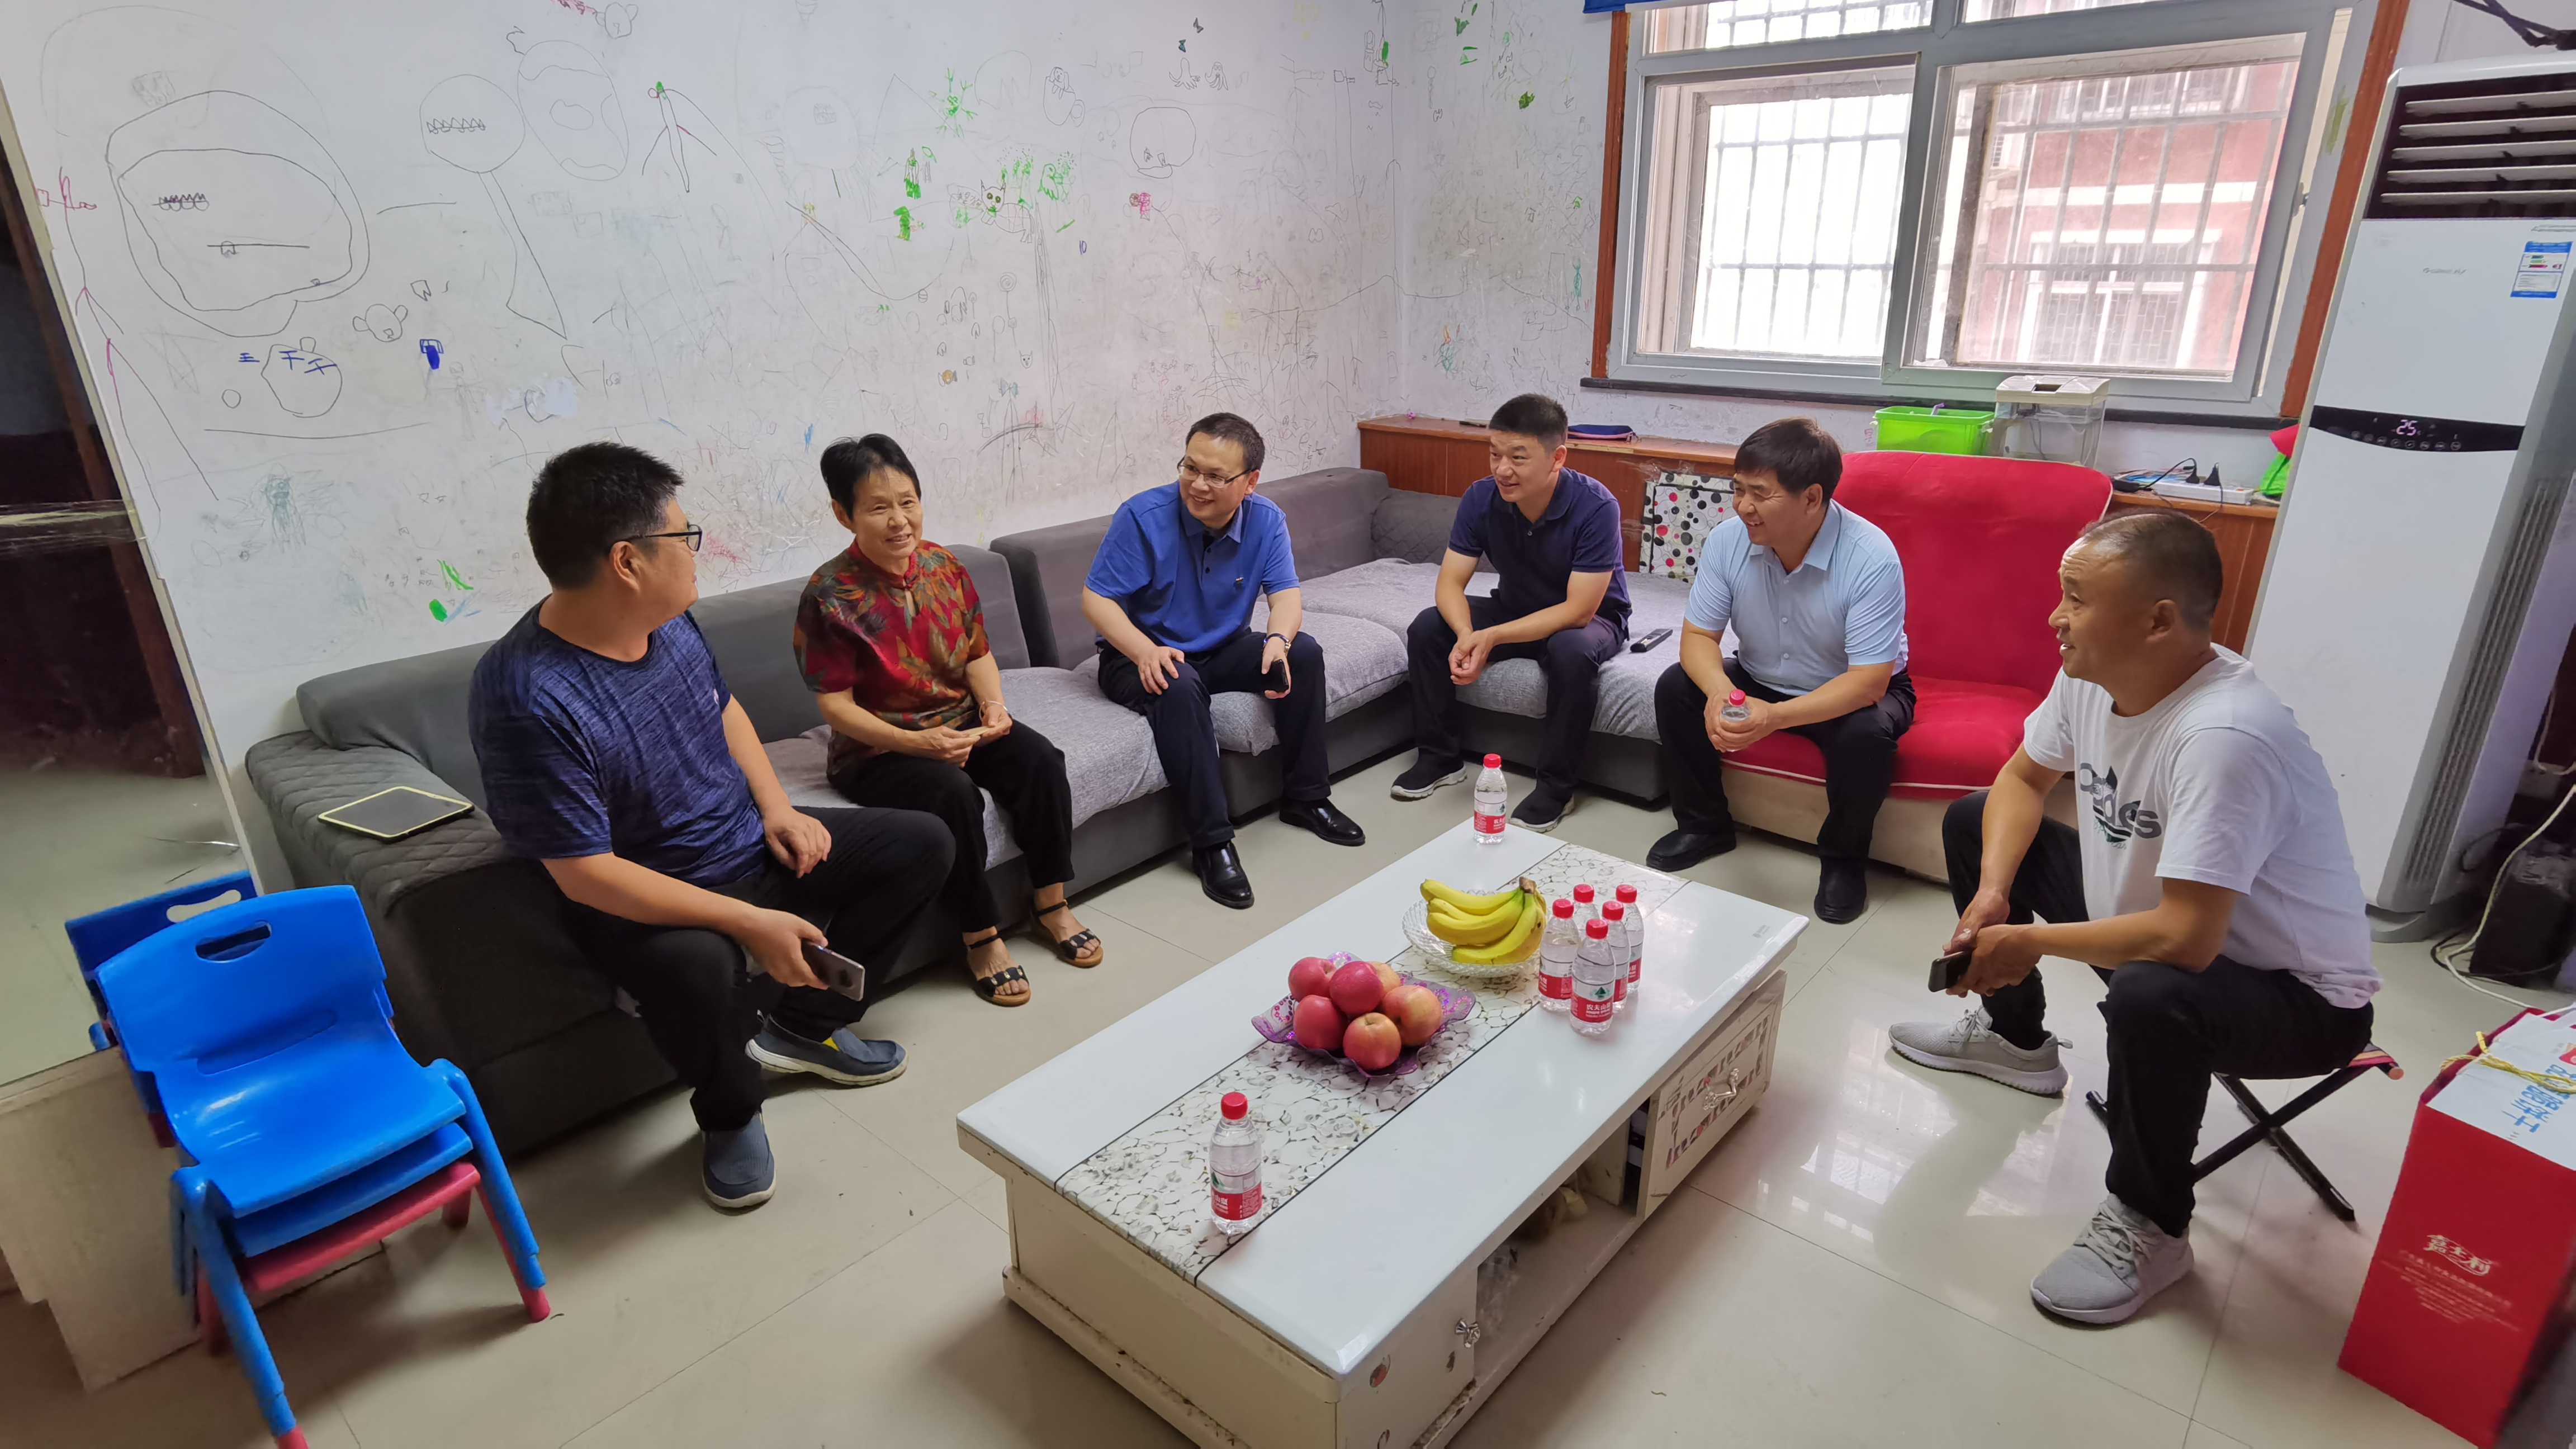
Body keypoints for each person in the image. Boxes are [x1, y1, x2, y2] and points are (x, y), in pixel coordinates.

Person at [1887, 511, 2380, 1326]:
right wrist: (1995, 894)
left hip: (2297, 999)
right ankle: (2016, 1043)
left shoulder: (2225, 737)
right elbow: (2021, 779)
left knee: (2152, 992)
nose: (2056, 617)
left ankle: (2152, 1223)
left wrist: (2030, 940)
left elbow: (2187, 939)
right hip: (2162, 930)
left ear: (2158, 620)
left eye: (2076, 598)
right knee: (1976, 822)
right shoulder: (2093, 674)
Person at [470, 442, 949, 1213]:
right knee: (699, 965)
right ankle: (730, 1113)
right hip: (640, 894)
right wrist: (746, 920)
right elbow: (584, 873)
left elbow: (722, 709)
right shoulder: (526, 697)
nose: (699, 552)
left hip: (742, 840)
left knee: (923, 843)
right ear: (628, 561)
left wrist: (778, 809)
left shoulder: (668, 623)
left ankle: (805, 1029)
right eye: (685, 537)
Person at [794, 434, 1101, 1010]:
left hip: (960, 723)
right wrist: (917, 743)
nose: (899, 520)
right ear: (843, 514)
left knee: (1039, 760)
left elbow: (977, 653)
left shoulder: (944, 565)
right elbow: (836, 708)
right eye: (878, 507)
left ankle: (1051, 903)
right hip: (878, 751)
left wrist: (994, 707)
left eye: (908, 502)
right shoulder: (830, 594)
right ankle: (980, 935)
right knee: (952, 795)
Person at [1080, 412, 1365, 908]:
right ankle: (1212, 844)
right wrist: (1144, 650)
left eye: (1215, 476)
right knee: (1178, 683)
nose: (1198, 484)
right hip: (1140, 656)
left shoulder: (1266, 520)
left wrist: (1277, 640)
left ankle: (1307, 798)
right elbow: (1096, 599)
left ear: (1249, 482)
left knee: (1303, 652)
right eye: (1190, 468)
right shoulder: (1143, 517)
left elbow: (1286, 594)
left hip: (1221, 647)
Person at [1649, 417, 1912, 924]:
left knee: (1867, 736)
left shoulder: (1871, 557)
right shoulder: (1728, 541)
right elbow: (1699, 638)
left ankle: (1843, 861)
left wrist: (1774, 718)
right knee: (1677, 687)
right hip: (1758, 675)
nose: (1742, 506)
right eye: (1738, 489)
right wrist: (1720, 692)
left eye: (1760, 494)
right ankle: (1704, 826)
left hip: (1846, 687)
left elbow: (1869, 681)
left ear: (1812, 498)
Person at [1390, 392, 1630, 831]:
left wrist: (1493, 637)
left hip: (1591, 620)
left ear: (1558, 457)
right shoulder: (1481, 497)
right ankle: (1439, 758)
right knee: (1428, 627)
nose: (1502, 469)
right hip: (1515, 607)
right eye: (1495, 454)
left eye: (1518, 457)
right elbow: (1449, 583)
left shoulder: (1597, 507)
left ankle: (1556, 787)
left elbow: (1579, 611)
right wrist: (1467, 634)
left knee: (1571, 651)